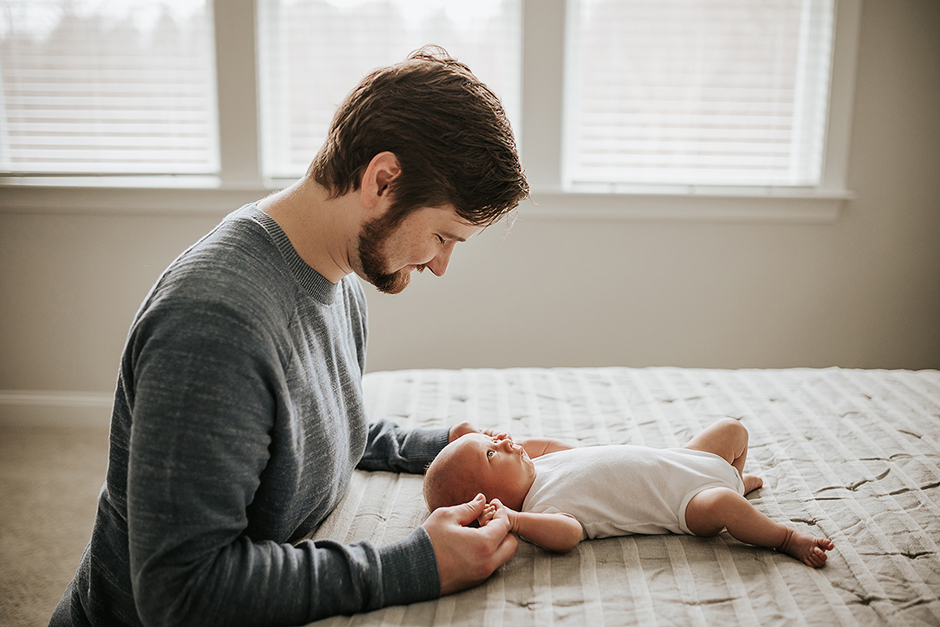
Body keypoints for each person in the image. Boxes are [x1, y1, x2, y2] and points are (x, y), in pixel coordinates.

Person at [50, 46, 527, 627]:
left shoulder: (336, 273)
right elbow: (182, 595)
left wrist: (444, 444)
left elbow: (306, 431)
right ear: (383, 181)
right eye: (444, 236)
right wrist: (417, 563)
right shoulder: (213, 326)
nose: (439, 265)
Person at [424, 418, 835, 567]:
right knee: (725, 506)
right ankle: (785, 538)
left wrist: (503, 445)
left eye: (492, 438)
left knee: (733, 430)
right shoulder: (542, 508)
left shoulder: (541, 465)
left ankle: (733, 479)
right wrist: (513, 520)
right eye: (492, 453)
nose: (504, 440)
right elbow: (568, 536)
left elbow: (550, 447)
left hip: (683, 460)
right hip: (685, 505)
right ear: (494, 502)